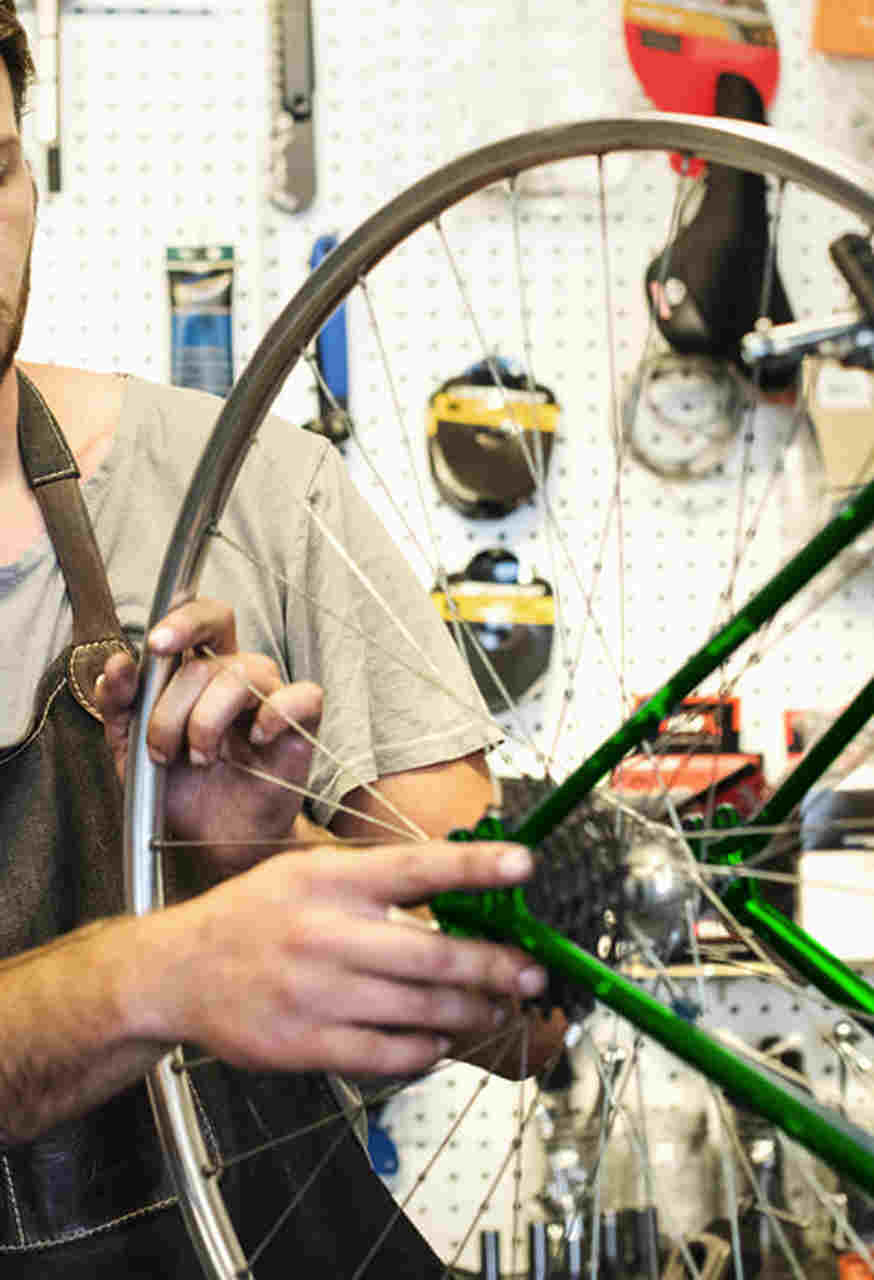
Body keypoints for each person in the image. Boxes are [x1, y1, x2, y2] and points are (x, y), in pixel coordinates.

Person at [0, 3, 565, 1274]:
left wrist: (267, 854)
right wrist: (155, 974)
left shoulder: (250, 485)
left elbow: (529, 1029)